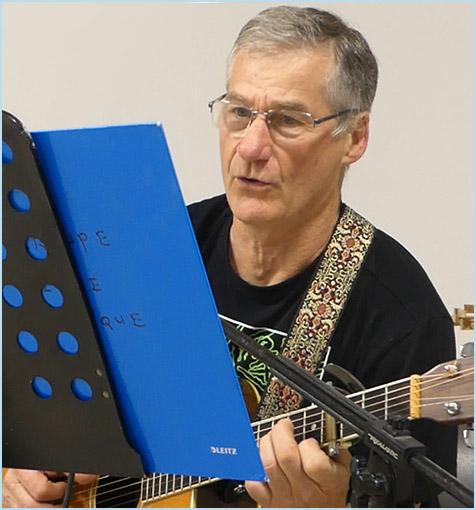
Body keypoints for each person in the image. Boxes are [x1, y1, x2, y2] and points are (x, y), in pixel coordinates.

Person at [3, 5, 456, 508]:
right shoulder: (154, 250)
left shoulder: (405, 321)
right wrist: (26, 463)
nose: (251, 147)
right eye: (239, 113)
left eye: (288, 120)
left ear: (354, 137)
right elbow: (58, 398)